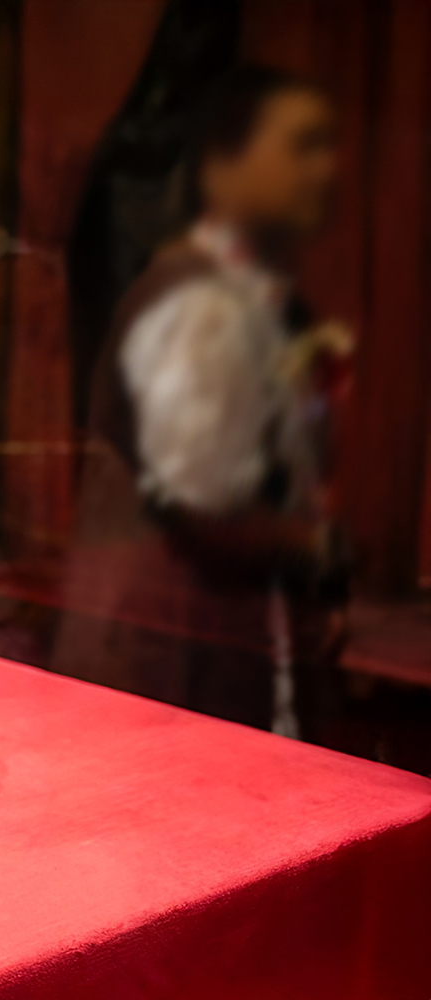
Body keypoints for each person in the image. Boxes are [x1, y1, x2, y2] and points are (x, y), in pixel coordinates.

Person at [51, 66, 348, 738]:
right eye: (302, 145)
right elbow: (208, 506)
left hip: (180, 650)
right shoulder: (199, 301)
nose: (326, 169)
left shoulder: (236, 293)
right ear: (221, 163)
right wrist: (318, 546)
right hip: (164, 659)